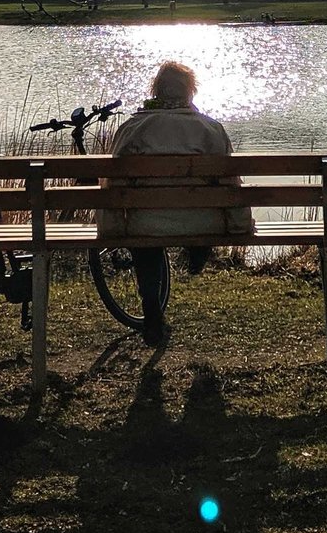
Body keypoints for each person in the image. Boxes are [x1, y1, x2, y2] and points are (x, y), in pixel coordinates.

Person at [97, 60, 253, 346]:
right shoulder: (211, 129)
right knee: (193, 211)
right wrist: (240, 226)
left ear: (156, 92)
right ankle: (197, 248)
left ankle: (151, 309)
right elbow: (231, 186)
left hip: (147, 224)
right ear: (190, 92)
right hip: (203, 221)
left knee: (146, 239)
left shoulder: (132, 129)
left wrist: (113, 230)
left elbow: (113, 187)